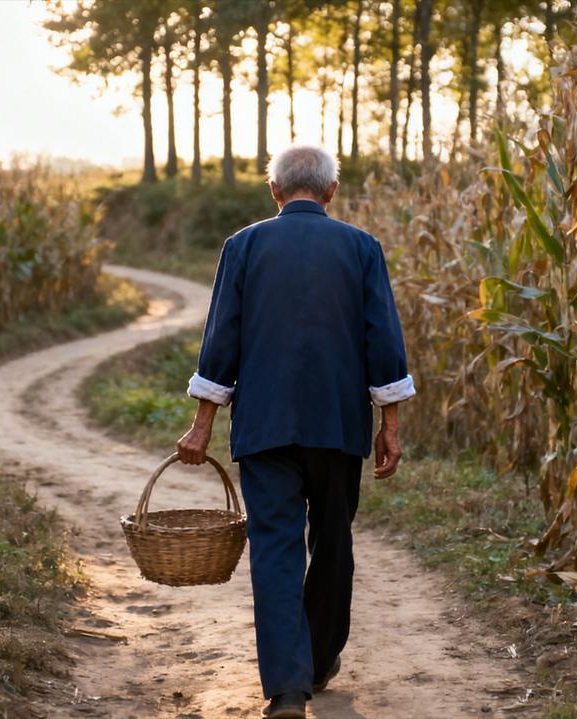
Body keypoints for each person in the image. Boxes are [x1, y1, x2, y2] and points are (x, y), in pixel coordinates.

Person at [175, 143, 415, 719]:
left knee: (275, 550)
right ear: (331, 191)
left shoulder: (244, 246)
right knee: (332, 542)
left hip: (265, 427)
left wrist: (201, 425)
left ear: (275, 190)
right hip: (337, 426)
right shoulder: (361, 248)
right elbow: (383, 338)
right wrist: (391, 424)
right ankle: (321, 657)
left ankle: (288, 686)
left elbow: (222, 340)